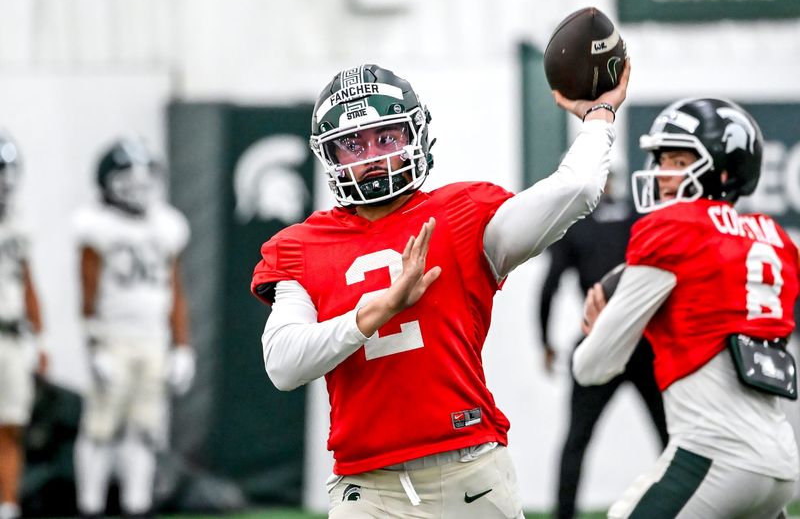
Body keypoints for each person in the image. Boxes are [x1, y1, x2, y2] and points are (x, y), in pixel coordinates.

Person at [250, 61, 630, 518]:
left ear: (416, 136)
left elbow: (579, 188)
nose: (372, 156)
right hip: (368, 488)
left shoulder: (463, 214)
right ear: (330, 156)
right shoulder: (301, 246)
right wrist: (380, 309)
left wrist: (599, 116)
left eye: (386, 138)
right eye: (353, 145)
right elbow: (283, 366)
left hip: (470, 470)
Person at [573, 97, 800, 518]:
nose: (662, 174)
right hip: (781, 463)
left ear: (724, 170)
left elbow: (592, 368)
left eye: (679, 161)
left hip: (715, 454)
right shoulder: (774, 240)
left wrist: (604, 319)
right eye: (661, 160)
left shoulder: (674, 231)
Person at [72, 137, 195, 518]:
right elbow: (88, 291)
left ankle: (136, 505)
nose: (139, 187)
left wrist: (182, 346)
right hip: (114, 339)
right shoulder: (97, 225)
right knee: (101, 429)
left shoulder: (166, 225)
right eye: (128, 178)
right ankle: (90, 506)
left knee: (145, 431)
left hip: (153, 341)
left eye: (145, 178)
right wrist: (93, 346)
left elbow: (174, 291)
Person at [537, 180, 668, 519]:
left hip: (603, 340)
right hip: (644, 341)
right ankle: (688, 509)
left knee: (576, 439)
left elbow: (548, 288)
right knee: (672, 438)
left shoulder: (576, 227)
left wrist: (545, 342)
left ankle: (564, 515)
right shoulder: (639, 219)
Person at [0, 135, 46, 519]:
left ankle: (8, 505)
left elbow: (28, 282)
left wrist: (40, 339)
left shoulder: (19, 223)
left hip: (11, 334)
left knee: (12, 424)